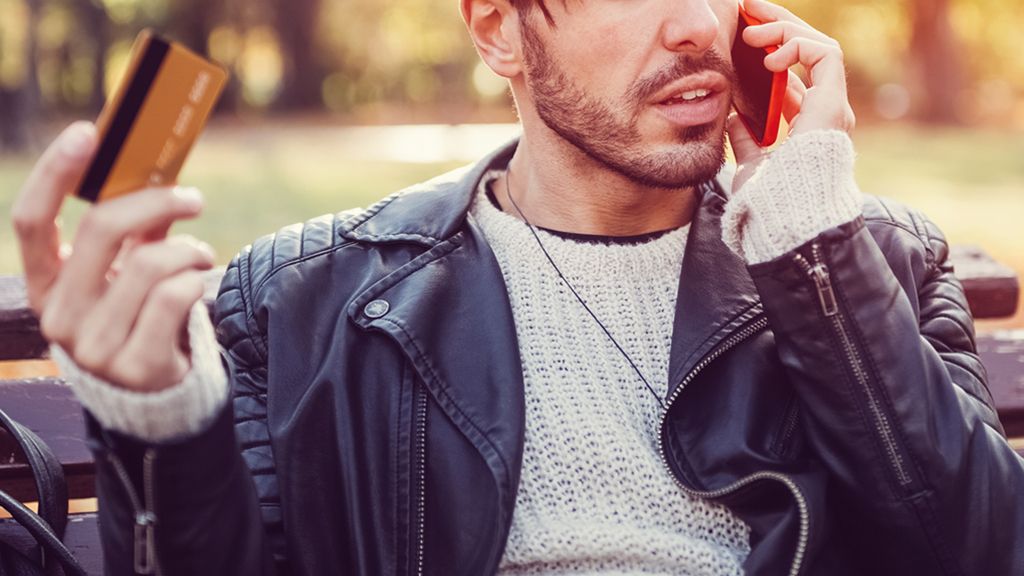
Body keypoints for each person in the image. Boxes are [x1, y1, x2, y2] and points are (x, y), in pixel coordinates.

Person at [11, 0, 1024, 574]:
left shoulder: (866, 259)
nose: (693, 26)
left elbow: (979, 552)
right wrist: (161, 418)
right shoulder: (301, 300)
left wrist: (810, 244)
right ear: (498, 30)